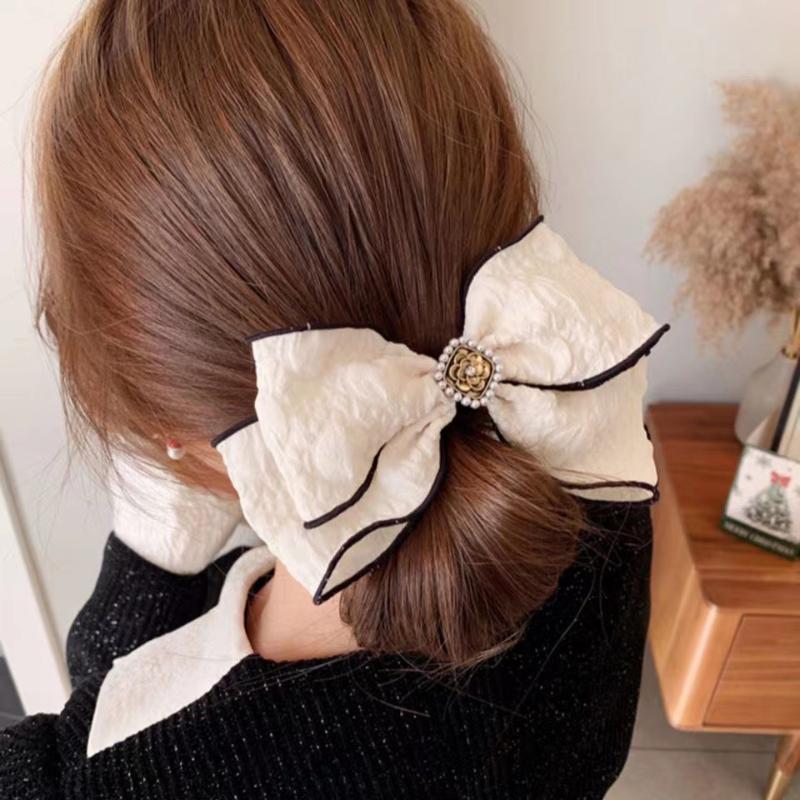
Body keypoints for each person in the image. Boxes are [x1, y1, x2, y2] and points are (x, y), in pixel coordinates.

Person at [0, 0, 668, 797]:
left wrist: (154, 553)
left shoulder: (96, 781)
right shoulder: (600, 452)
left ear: (163, 426)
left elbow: (116, 717)